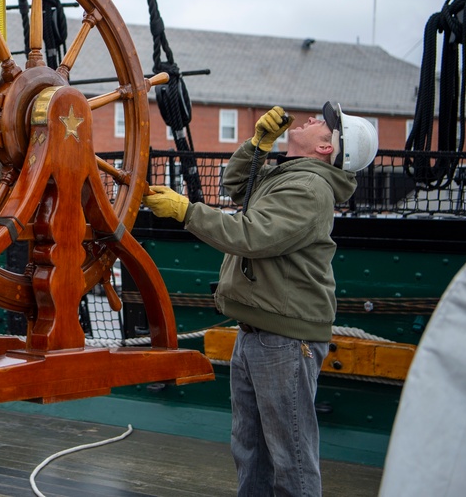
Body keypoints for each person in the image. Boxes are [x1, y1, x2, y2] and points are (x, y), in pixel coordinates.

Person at [142, 102, 378, 496]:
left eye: (326, 123)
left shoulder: (308, 188)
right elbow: (237, 188)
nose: (313, 119)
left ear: (326, 148)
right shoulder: (290, 176)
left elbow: (251, 235)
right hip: (261, 331)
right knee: (251, 448)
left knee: (291, 457)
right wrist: (257, 144)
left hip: (284, 339)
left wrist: (185, 211)